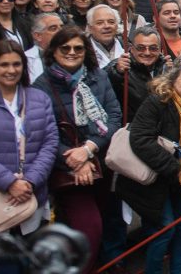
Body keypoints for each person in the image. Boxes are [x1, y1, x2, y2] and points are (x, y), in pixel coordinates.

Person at [116, 60, 181, 274]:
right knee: (165, 229)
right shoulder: (158, 102)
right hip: (155, 178)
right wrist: (173, 167)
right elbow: (140, 139)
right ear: (173, 80)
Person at [32, 26, 122, 270]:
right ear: (54, 51)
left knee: (100, 221)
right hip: (68, 169)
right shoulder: (41, 86)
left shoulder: (97, 76)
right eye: (65, 48)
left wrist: (89, 149)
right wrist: (77, 159)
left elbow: (114, 116)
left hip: (101, 162)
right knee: (89, 228)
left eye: (78, 48)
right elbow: (43, 133)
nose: (72, 52)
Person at [0, 40, 58, 250]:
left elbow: (50, 143)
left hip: (31, 195)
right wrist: (9, 183)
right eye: (4, 64)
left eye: (16, 64)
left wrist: (30, 181)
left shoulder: (40, 98)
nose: (11, 70)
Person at [106, 26, 167, 123]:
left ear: (160, 49)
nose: (147, 53)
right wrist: (117, 72)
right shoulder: (121, 66)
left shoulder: (165, 66)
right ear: (131, 48)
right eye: (140, 48)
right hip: (131, 129)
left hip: (161, 127)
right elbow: (104, 80)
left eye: (153, 48)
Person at [25, 13, 63, 82]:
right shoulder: (25, 59)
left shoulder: (73, 55)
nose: (61, 32)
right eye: (53, 28)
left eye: (62, 27)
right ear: (38, 36)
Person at [86, 5, 123, 70]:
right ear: (90, 28)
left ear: (117, 26)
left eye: (111, 22)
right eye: (100, 23)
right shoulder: (83, 51)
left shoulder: (128, 47)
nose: (106, 26)